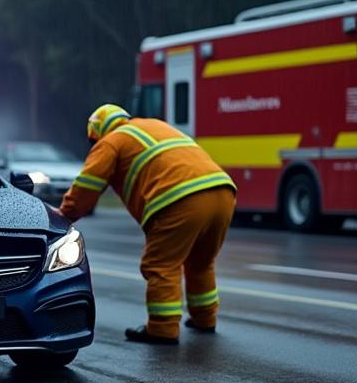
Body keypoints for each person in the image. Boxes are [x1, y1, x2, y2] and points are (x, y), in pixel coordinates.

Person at [58, 104, 237, 345]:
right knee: (201, 261)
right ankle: (205, 318)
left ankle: (163, 328)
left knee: (161, 265)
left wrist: (64, 215)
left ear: (98, 131)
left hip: (180, 199)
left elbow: (88, 185)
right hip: (222, 192)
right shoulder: (154, 125)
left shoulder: (111, 141)